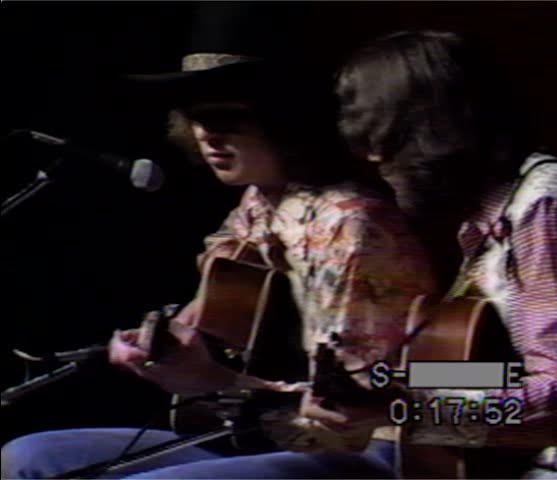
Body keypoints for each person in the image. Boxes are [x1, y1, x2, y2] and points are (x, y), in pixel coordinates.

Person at [1, 34, 440, 480]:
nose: (206, 134)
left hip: (361, 447)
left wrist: (218, 381)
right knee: (28, 458)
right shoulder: (260, 203)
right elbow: (221, 303)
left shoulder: (351, 223)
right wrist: (168, 344)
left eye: (228, 118)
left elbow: (361, 398)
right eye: (195, 117)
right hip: (263, 428)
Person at [331, 30, 557, 478]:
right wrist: (382, 386)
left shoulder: (547, 208)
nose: (374, 158)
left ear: (424, 131)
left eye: (381, 137)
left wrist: (403, 411)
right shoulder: (495, 217)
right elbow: (513, 377)